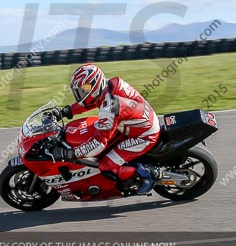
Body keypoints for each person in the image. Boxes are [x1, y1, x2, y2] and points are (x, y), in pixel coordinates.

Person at [49, 63, 161, 195]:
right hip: (139, 121)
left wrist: (71, 154)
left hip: (144, 135)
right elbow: (93, 101)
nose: (80, 93)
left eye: (83, 89)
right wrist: (66, 111)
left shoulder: (109, 109)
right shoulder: (111, 84)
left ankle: (147, 173)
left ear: (95, 85)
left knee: (105, 165)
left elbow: (98, 144)